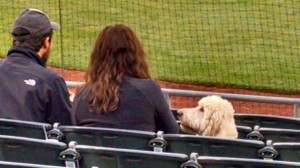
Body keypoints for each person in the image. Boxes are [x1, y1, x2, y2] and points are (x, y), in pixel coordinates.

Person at [72, 24, 179, 133]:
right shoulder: (149, 90)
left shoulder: (82, 93)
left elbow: (73, 131)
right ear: (134, 56)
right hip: (135, 150)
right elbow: (173, 133)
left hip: (92, 150)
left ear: (97, 57)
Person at [0, 8, 72, 125]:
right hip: (32, 143)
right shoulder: (50, 81)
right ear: (46, 42)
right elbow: (67, 130)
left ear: (15, 40)